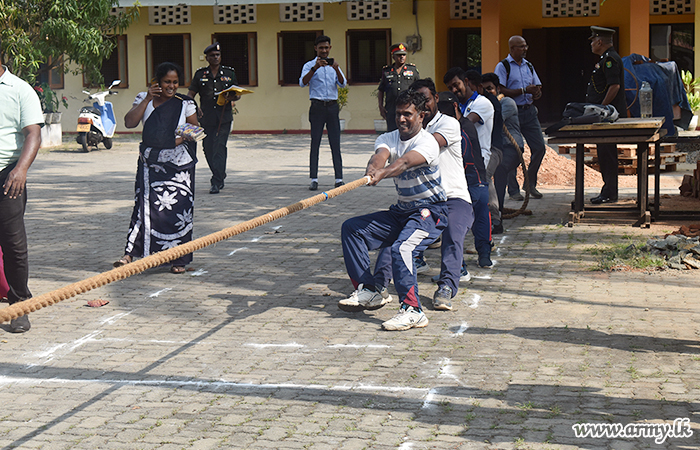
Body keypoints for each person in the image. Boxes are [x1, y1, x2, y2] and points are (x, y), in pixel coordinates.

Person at [337, 90, 448, 331]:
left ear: (421, 115)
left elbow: (404, 162)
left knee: (403, 248)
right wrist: (372, 170)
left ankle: (413, 310)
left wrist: (384, 173)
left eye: (407, 114)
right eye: (398, 114)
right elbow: (380, 157)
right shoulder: (388, 137)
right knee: (352, 229)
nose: (402, 119)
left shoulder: (427, 142)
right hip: (402, 211)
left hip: (430, 212)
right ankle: (370, 290)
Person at [372, 79, 474, 312]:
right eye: (417, 104)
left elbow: (418, 153)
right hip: (419, 202)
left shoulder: (447, 124)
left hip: (453, 197)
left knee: (452, 234)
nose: (423, 106)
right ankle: (378, 286)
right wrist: (374, 166)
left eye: (426, 100)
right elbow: (384, 151)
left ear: (435, 99)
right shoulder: (404, 131)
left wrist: (384, 171)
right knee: (396, 239)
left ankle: (447, 286)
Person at [115, 62, 199, 274]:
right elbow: (130, 123)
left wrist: (172, 142)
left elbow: (195, 130)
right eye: (166, 82)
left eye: (175, 82)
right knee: (144, 207)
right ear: (157, 82)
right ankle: (129, 254)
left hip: (179, 165)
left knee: (179, 211)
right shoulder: (145, 99)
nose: (171, 86)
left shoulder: (185, 102)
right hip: (150, 163)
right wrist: (147, 100)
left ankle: (178, 259)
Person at [0, 52, 43, 332]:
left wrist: (21, 169)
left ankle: (19, 304)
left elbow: (33, 134)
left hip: (8, 174)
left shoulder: (19, 89)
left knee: (13, 244)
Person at [437, 91, 493, 270]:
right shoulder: (465, 126)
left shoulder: (459, 128)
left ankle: (460, 266)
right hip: (477, 180)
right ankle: (483, 256)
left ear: (454, 107)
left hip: (470, 182)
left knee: (455, 226)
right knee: (479, 218)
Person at [494, 35, 546, 200]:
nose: (525, 49)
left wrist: (537, 92)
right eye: (521, 47)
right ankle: (514, 191)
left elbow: (537, 85)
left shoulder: (528, 65)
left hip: (529, 112)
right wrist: (524, 91)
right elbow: (500, 89)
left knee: (539, 148)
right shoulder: (503, 66)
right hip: (511, 113)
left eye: (525, 46)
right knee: (513, 151)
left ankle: (530, 184)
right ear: (512, 49)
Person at [187, 42, 239, 195]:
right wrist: (195, 108)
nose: (215, 57)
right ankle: (220, 174)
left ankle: (215, 181)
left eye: (217, 55)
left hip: (224, 116)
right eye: (212, 56)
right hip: (206, 117)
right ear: (207, 58)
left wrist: (233, 96)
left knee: (220, 146)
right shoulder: (200, 74)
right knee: (208, 148)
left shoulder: (229, 73)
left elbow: (237, 93)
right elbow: (191, 95)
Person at [300, 35, 347, 191]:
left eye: (326, 47)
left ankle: (339, 178)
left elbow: (343, 83)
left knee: (335, 143)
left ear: (330, 48)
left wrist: (336, 69)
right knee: (315, 142)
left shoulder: (334, 65)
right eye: (321, 48)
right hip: (317, 107)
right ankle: (314, 178)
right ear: (316, 49)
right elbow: (302, 83)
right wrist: (315, 68)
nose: (324, 51)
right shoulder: (309, 65)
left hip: (332, 107)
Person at [587, 26, 626, 204]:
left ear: (600, 42)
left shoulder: (610, 59)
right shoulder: (605, 59)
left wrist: (602, 108)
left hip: (608, 117)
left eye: (593, 40)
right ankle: (608, 190)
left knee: (607, 154)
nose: (592, 44)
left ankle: (609, 192)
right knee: (605, 154)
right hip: (606, 117)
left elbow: (614, 86)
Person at [464, 70, 504, 235]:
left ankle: (495, 218)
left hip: (493, 148)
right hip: (476, 150)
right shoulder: (468, 102)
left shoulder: (487, 102)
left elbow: (468, 123)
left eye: (468, 87)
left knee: (484, 176)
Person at [481, 73, 523, 216]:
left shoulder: (507, 103)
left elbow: (494, 120)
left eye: (490, 89)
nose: (488, 92)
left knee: (500, 169)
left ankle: (496, 211)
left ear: (498, 89)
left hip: (512, 147)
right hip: (496, 147)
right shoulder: (483, 105)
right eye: (484, 89)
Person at [377, 42, 419, 132]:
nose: (402, 57)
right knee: (392, 133)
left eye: (403, 55)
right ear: (393, 57)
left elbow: (418, 88)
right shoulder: (387, 71)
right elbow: (381, 90)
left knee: (408, 132)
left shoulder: (412, 70)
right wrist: (380, 106)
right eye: (399, 55)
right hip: (392, 109)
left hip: (409, 108)